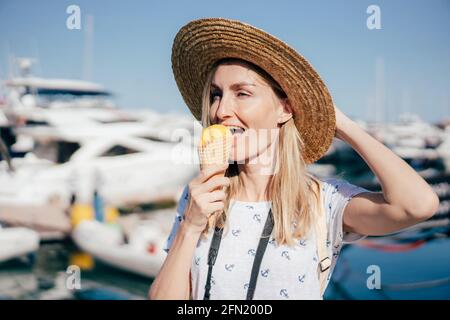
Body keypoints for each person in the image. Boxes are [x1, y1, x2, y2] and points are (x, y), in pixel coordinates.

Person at [149, 18, 439, 300]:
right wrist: (190, 227)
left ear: (284, 109)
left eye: (242, 93)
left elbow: (417, 206)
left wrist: (343, 125)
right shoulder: (198, 198)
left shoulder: (323, 202)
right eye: (215, 94)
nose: (221, 109)